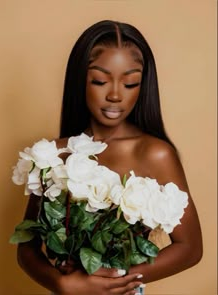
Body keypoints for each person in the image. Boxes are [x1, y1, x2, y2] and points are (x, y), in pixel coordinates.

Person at [17, 20, 203, 295]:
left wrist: (114, 278)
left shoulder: (155, 153)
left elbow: (190, 248)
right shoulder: (53, 155)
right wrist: (62, 283)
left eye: (130, 83)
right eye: (100, 81)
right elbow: (26, 248)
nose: (115, 95)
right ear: (81, 79)